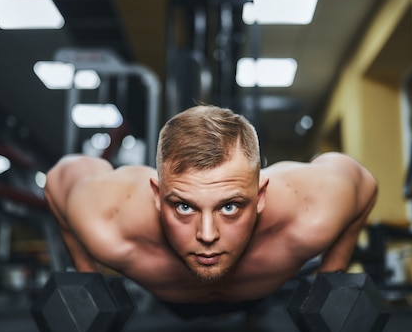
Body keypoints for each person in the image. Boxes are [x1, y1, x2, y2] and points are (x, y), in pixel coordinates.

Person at [44, 105, 377, 318]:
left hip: (258, 296)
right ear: (157, 196)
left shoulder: (311, 211)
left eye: (230, 206)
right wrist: (87, 279)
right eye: (184, 206)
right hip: (172, 302)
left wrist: (330, 279)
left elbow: (363, 183)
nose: (206, 235)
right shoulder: (108, 219)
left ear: (261, 195)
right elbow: (61, 178)